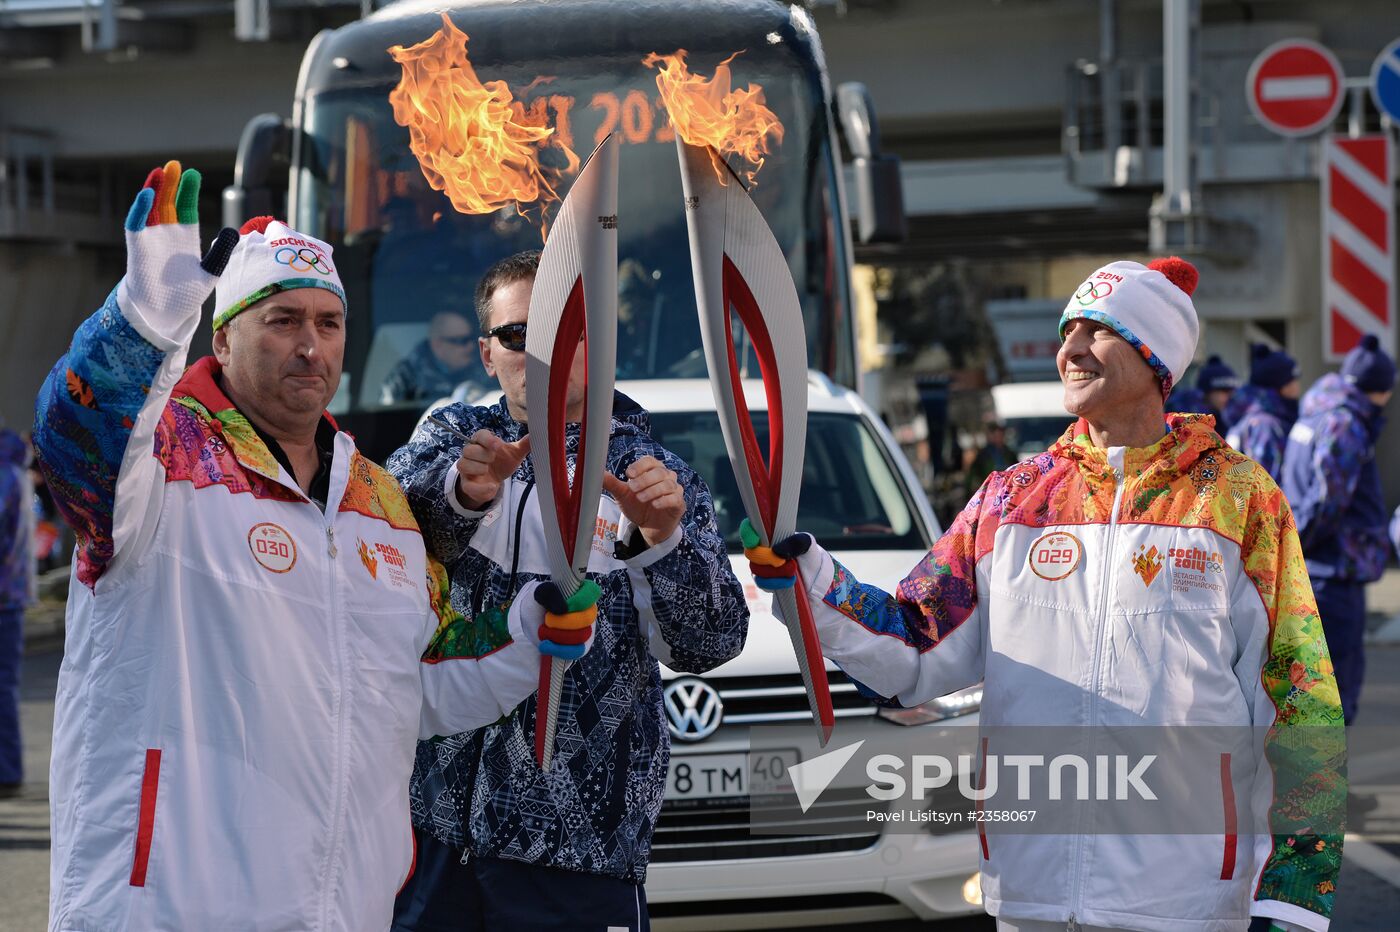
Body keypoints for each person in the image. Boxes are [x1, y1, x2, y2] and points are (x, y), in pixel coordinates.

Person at [32, 164, 581, 931]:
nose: (310, 347)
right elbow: (73, 439)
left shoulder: (377, 500)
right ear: (223, 336)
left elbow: (418, 673)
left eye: (328, 324)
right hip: (167, 905)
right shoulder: (164, 455)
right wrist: (144, 319)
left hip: (339, 909)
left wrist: (532, 630)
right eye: (283, 320)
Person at [754, 258, 1344, 931]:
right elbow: (914, 652)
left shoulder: (1238, 502)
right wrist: (812, 581)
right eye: (1069, 331)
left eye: (1098, 331)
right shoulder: (1012, 498)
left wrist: (1294, 899)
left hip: (1185, 906)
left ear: (1155, 359)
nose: (1070, 349)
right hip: (1030, 897)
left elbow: (1300, 704)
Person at [387, 250, 749, 932]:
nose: (544, 353)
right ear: (489, 355)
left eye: (568, 330)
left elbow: (712, 641)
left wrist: (660, 544)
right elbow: (384, 532)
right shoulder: (451, 439)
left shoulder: (655, 476)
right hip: (426, 837)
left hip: (578, 858)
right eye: (519, 335)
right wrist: (465, 494)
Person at [1281, 333, 1396, 726]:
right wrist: (1299, 546)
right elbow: (1329, 501)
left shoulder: (1313, 414)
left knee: (1310, 687)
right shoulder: (1345, 424)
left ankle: (1309, 784)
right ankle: (1321, 786)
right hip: (1332, 573)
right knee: (1333, 688)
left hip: (1315, 569)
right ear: (1381, 390)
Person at [0, 425, 36, 799]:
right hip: (11, 594)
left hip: (4, 597)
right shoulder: (15, 469)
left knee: (3, 689)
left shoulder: (4, 473)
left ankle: (8, 771)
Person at [380, 309, 491, 406]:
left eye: (471, 338)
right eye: (461, 341)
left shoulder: (485, 367)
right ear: (437, 345)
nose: (471, 346)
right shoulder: (404, 378)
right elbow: (389, 421)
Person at [1225, 343, 1301, 480]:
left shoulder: (1253, 418)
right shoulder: (1265, 426)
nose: (1297, 387)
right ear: (1279, 386)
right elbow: (1266, 486)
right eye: (1292, 380)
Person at [1170, 353, 1240, 435]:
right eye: (1224, 391)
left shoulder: (1223, 417)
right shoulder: (1188, 416)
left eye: (1232, 391)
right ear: (1207, 392)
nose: (1230, 396)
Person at [965, 420, 1017, 493]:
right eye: (996, 436)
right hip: (989, 490)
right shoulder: (983, 454)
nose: (999, 438)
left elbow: (1017, 470)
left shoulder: (1010, 454)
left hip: (1006, 489)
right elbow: (973, 473)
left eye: (1001, 435)